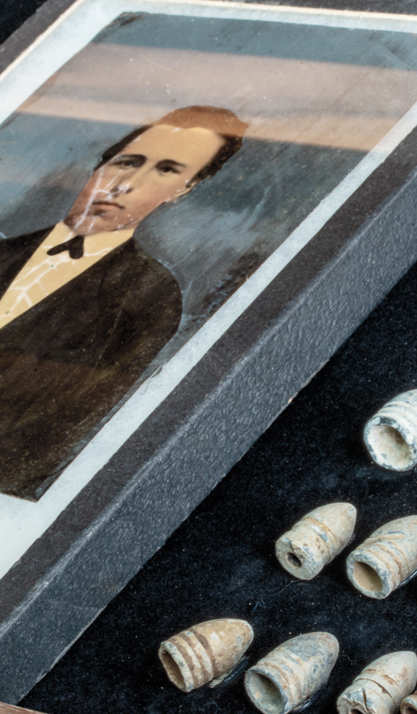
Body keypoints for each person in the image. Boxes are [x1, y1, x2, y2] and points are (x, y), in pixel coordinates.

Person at [0, 104, 248, 501]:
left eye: (166, 170)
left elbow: (61, 434)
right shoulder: (5, 252)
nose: (125, 184)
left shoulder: (147, 300)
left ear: (183, 189)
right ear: (102, 164)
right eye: (126, 162)